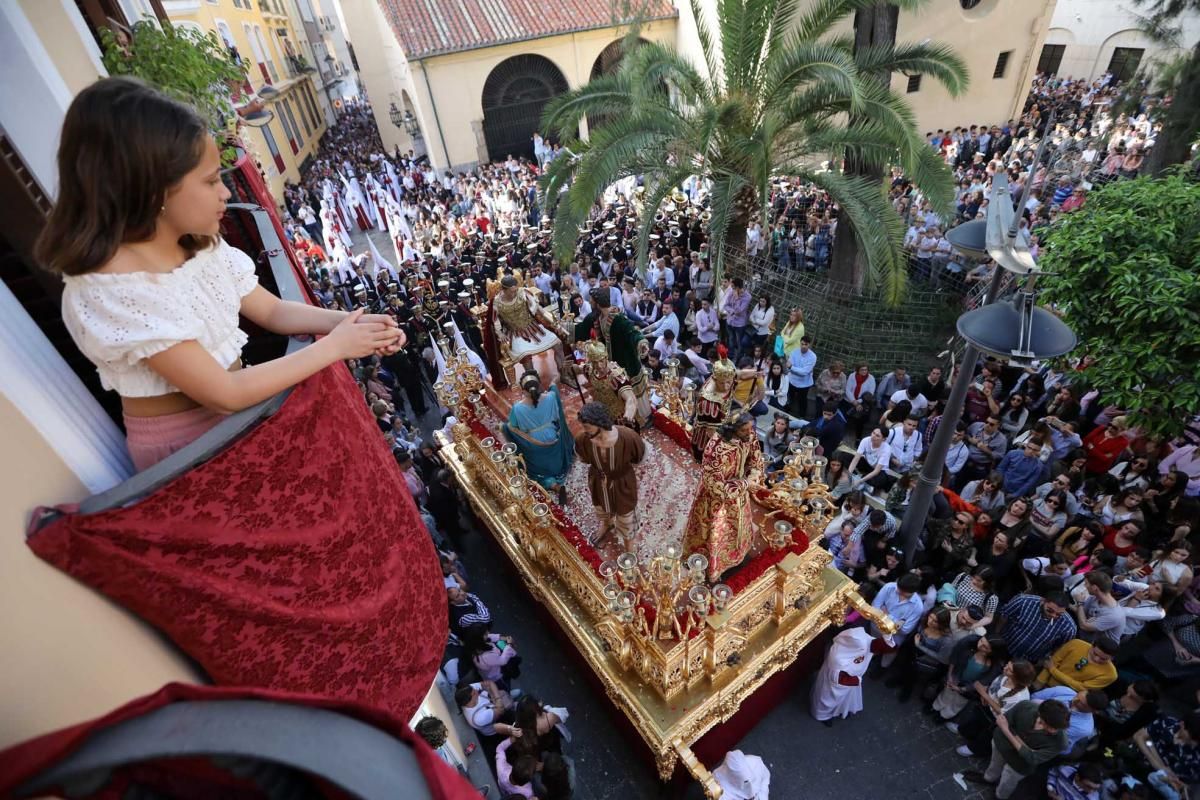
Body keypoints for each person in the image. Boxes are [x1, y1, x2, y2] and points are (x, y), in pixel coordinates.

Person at [43, 78, 405, 471]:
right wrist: (336, 346)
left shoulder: (201, 246)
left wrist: (351, 324)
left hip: (239, 420)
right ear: (153, 189)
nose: (226, 193)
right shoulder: (114, 289)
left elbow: (273, 312)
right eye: (211, 180)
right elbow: (224, 393)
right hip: (189, 453)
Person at [682, 413, 765, 581]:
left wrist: (755, 473)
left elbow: (756, 457)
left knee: (740, 528)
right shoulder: (714, 450)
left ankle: (737, 556)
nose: (750, 433)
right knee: (715, 534)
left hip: (740, 495)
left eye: (751, 428)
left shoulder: (748, 434)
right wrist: (746, 484)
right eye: (744, 430)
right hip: (716, 503)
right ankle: (714, 566)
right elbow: (716, 488)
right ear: (732, 429)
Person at [962, 698, 1070, 799]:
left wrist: (1008, 731)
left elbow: (1033, 758)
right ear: (1040, 715)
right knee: (994, 764)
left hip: (1020, 764)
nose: (1054, 731)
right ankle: (988, 779)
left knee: (1007, 783)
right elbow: (1003, 722)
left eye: (1057, 728)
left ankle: (999, 797)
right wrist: (1027, 748)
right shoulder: (1025, 706)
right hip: (1002, 746)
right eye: (1051, 726)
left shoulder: (1061, 742)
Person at [574, 287, 652, 423]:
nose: (590, 303)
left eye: (591, 301)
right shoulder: (597, 317)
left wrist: (641, 343)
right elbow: (581, 329)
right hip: (609, 362)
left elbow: (632, 332)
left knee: (632, 392)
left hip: (625, 360)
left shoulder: (618, 319)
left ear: (598, 304)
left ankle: (642, 418)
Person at [574, 402, 645, 546]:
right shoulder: (583, 439)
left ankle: (628, 544)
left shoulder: (628, 437)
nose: (584, 430)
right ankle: (606, 524)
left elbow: (640, 458)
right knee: (601, 506)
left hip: (622, 483)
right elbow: (583, 458)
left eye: (587, 427)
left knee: (626, 515)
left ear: (599, 424)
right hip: (598, 481)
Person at [503, 369, 575, 502]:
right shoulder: (551, 397)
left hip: (533, 442)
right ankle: (556, 477)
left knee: (535, 473)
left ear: (523, 390)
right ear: (539, 385)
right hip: (552, 435)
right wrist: (553, 382)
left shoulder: (517, 408)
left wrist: (504, 427)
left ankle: (553, 485)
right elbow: (554, 388)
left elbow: (512, 427)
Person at [487, 275, 570, 384]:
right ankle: (534, 384)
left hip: (533, 327)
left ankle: (564, 375)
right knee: (525, 355)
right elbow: (495, 320)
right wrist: (500, 333)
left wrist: (555, 324)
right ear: (504, 290)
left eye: (515, 290)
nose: (514, 293)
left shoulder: (523, 293)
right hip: (516, 333)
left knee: (558, 344)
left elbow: (539, 310)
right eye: (511, 291)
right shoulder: (497, 302)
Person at [811, 627, 883, 725]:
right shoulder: (837, 658)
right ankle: (823, 716)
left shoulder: (863, 640)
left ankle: (841, 710)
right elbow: (838, 679)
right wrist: (857, 680)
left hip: (850, 683)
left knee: (845, 699)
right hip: (835, 685)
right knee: (827, 700)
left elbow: (876, 645)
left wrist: (887, 637)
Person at [998, 591, 1078, 664]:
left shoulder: (1068, 627)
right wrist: (996, 634)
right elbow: (1004, 615)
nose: (1053, 616)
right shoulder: (1023, 601)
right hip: (1005, 644)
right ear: (1043, 601)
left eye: (1059, 614)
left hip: (1028, 660)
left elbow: (1059, 648)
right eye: (1050, 610)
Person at [581, 339, 644, 429]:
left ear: (606, 358)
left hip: (620, 418)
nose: (599, 365)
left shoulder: (616, 376)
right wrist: (571, 368)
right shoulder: (590, 370)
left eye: (601, 361)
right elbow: (579, 368)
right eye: (595, 362)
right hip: (603, 416)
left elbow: (631, 398)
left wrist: (628, 414)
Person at [690, 350, 738, 460]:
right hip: (709, 434)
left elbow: (738, 375)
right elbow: (710, 432)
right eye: (722, 383)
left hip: (721, 422)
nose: (726, 386)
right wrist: (727, 444)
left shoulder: (727, 378)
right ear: (715, 379)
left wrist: (755, 374)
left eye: (729, 382)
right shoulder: (709, 402)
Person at [1036, 637, 1118, 691]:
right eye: (1095, 654)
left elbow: (1082, 687)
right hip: (1045, 683)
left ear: (1112, 658)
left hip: (1064, 695)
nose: (1097, 659)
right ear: (1092, 645)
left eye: (1103, 659)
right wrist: (1039, 682)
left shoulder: (1110, 674)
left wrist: (1053, 670)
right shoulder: (1076, 644)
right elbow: (1053, 661)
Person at [786, 335, 817, 419]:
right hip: (792, 380)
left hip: (804, 384)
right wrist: (794, 369)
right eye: (802, 344)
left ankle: (802, 417)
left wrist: (792, 368)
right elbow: (789, 366)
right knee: (788, 397)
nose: (803, 346)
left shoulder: (813, 356)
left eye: (806, 344)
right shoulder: (794, 352)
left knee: (802, 400)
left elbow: (804, 372)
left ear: (809, 345)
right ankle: (785, 413)